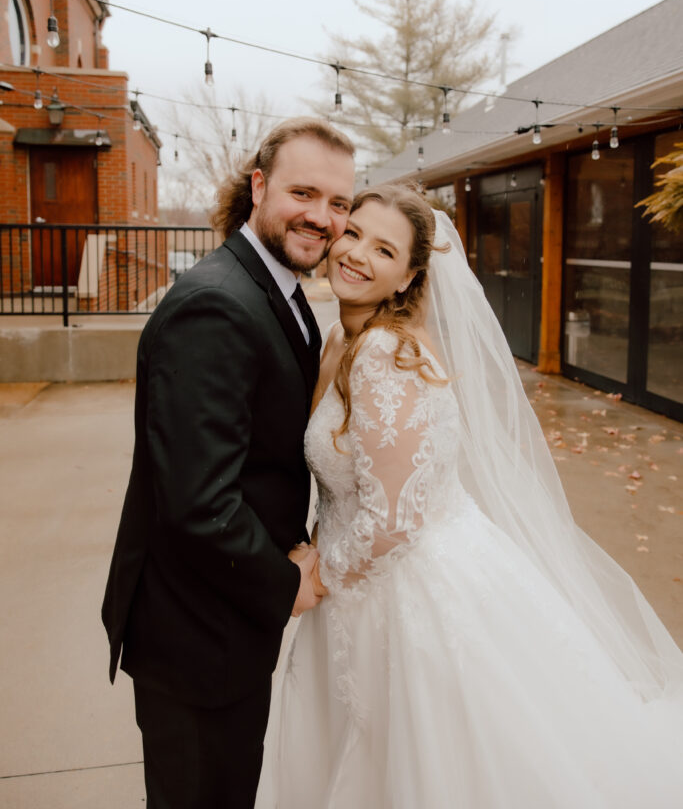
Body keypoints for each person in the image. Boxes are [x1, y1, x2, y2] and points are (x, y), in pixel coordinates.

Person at [256, 183, 683, 808]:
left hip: (400, 588)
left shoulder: (382, 354)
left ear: (407, 279)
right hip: (383, 575)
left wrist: (317, 577)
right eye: (353, 234)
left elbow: (395, 518)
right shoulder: (342, 339)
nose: (356, 255)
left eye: (384, 250)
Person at [101, 117, 356, 809]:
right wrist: (284, 584)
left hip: (223, 620)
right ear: (259, 186)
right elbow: (196, 500)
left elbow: (258, 456)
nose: (322, 217)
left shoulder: (276, 291)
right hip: (194, 632)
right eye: (303, 193)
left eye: (339, 204)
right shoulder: (216, 304)